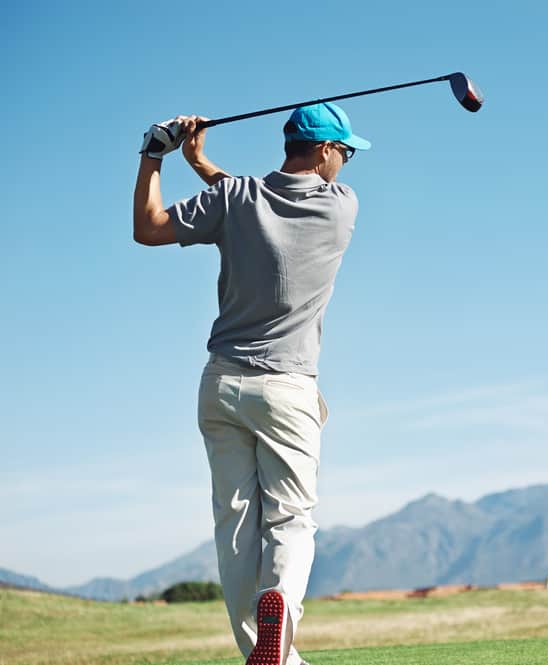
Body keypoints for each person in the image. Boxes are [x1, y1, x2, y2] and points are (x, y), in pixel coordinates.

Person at [132, 103, 370, 665]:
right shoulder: (342, 208)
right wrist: (203, 163)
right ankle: (280, 604)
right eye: (345, 151)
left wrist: (157, 156)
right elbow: (254, 198)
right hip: (287, 388)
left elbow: (150, 229)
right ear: (324, 151)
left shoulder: (235, 200)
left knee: (235, 524)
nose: (346, 162)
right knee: (290, 517)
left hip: (220, 385)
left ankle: (269, 658)